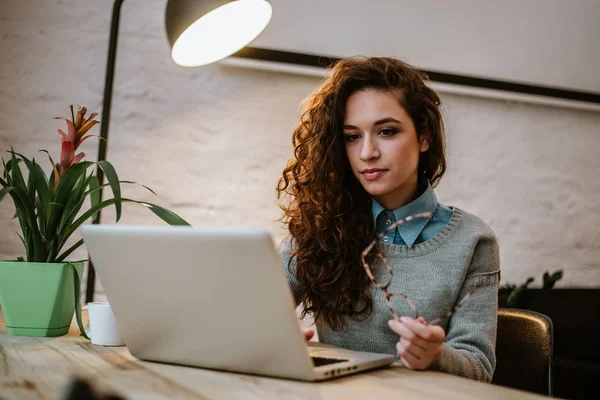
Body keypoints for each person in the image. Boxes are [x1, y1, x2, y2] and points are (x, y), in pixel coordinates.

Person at [277, 57, 500, 383]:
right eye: (352, 136)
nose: (367, 152)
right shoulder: (320, 226)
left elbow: (478, 366)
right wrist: (276, 342)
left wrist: (436, 356)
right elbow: (254, 314)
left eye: (386, 131)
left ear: (424, 137)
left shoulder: (473, 240)